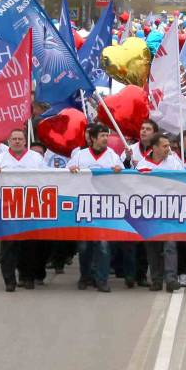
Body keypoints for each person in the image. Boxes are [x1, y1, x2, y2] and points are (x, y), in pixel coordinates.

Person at [0, 128, 47, 290]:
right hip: (8, 210)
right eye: (14, 139)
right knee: (9, 247)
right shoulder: (0, 159)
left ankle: (27, 277)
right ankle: (9, 280)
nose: (17, 141)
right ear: (9, 141)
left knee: (29, 247)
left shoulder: (36, 158)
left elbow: (49, 177)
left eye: (20, 138)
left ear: (25, 141)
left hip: (31, 208)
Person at [68, 124, 122, 292]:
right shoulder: (80, 156)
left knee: (103, 246)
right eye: (102, 135)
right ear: (92, 138)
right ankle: (85, 276)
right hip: (83, 206)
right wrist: (70, 170)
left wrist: (120, 170)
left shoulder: (112, 156)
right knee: (84, 247)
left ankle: (102, 279)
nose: (106, 138)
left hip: (104, 207)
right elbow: (65, 174)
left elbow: (124, 175)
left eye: (107, 135)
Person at [135, 135, 185, 293]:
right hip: (149, 213)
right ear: (154, 147)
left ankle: (171, 279)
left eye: (168, 146)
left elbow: (184, 180)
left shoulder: (174, 163)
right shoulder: (142, 165)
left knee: (170, 245)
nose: (168, 149)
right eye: (164, 146)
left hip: (169, 211)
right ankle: (156, 279)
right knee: (153, 248)